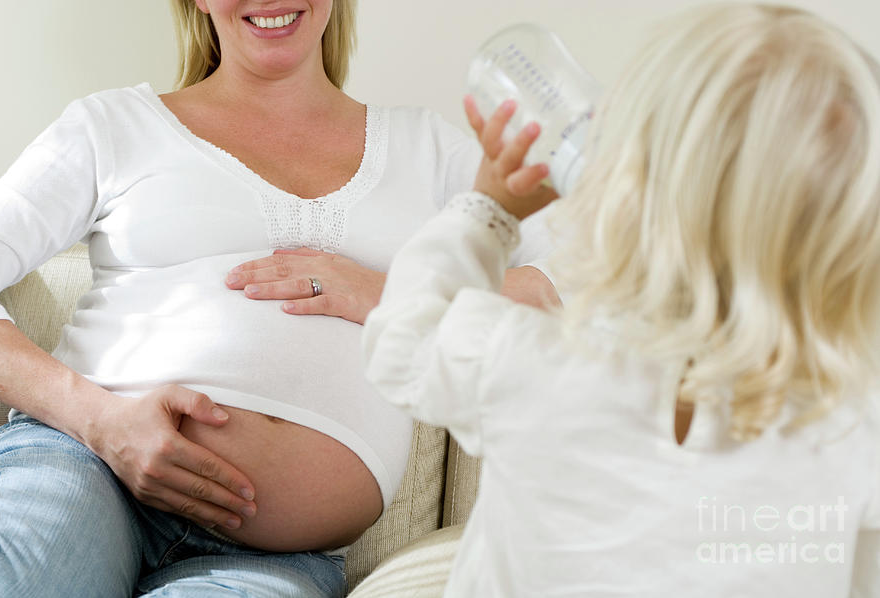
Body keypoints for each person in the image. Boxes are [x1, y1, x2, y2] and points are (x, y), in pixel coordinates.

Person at [0, 0, 557, 596]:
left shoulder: (429, 152)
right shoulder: (114, 126)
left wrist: (392, 293)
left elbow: (580, 278)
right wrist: (99, 422)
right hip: (83, 465)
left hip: (276, 559)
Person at [362, 3, 880, 596]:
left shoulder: (535, 363)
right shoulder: (853, 428)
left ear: (627, 188)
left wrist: (489, 212)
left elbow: (401, 340)